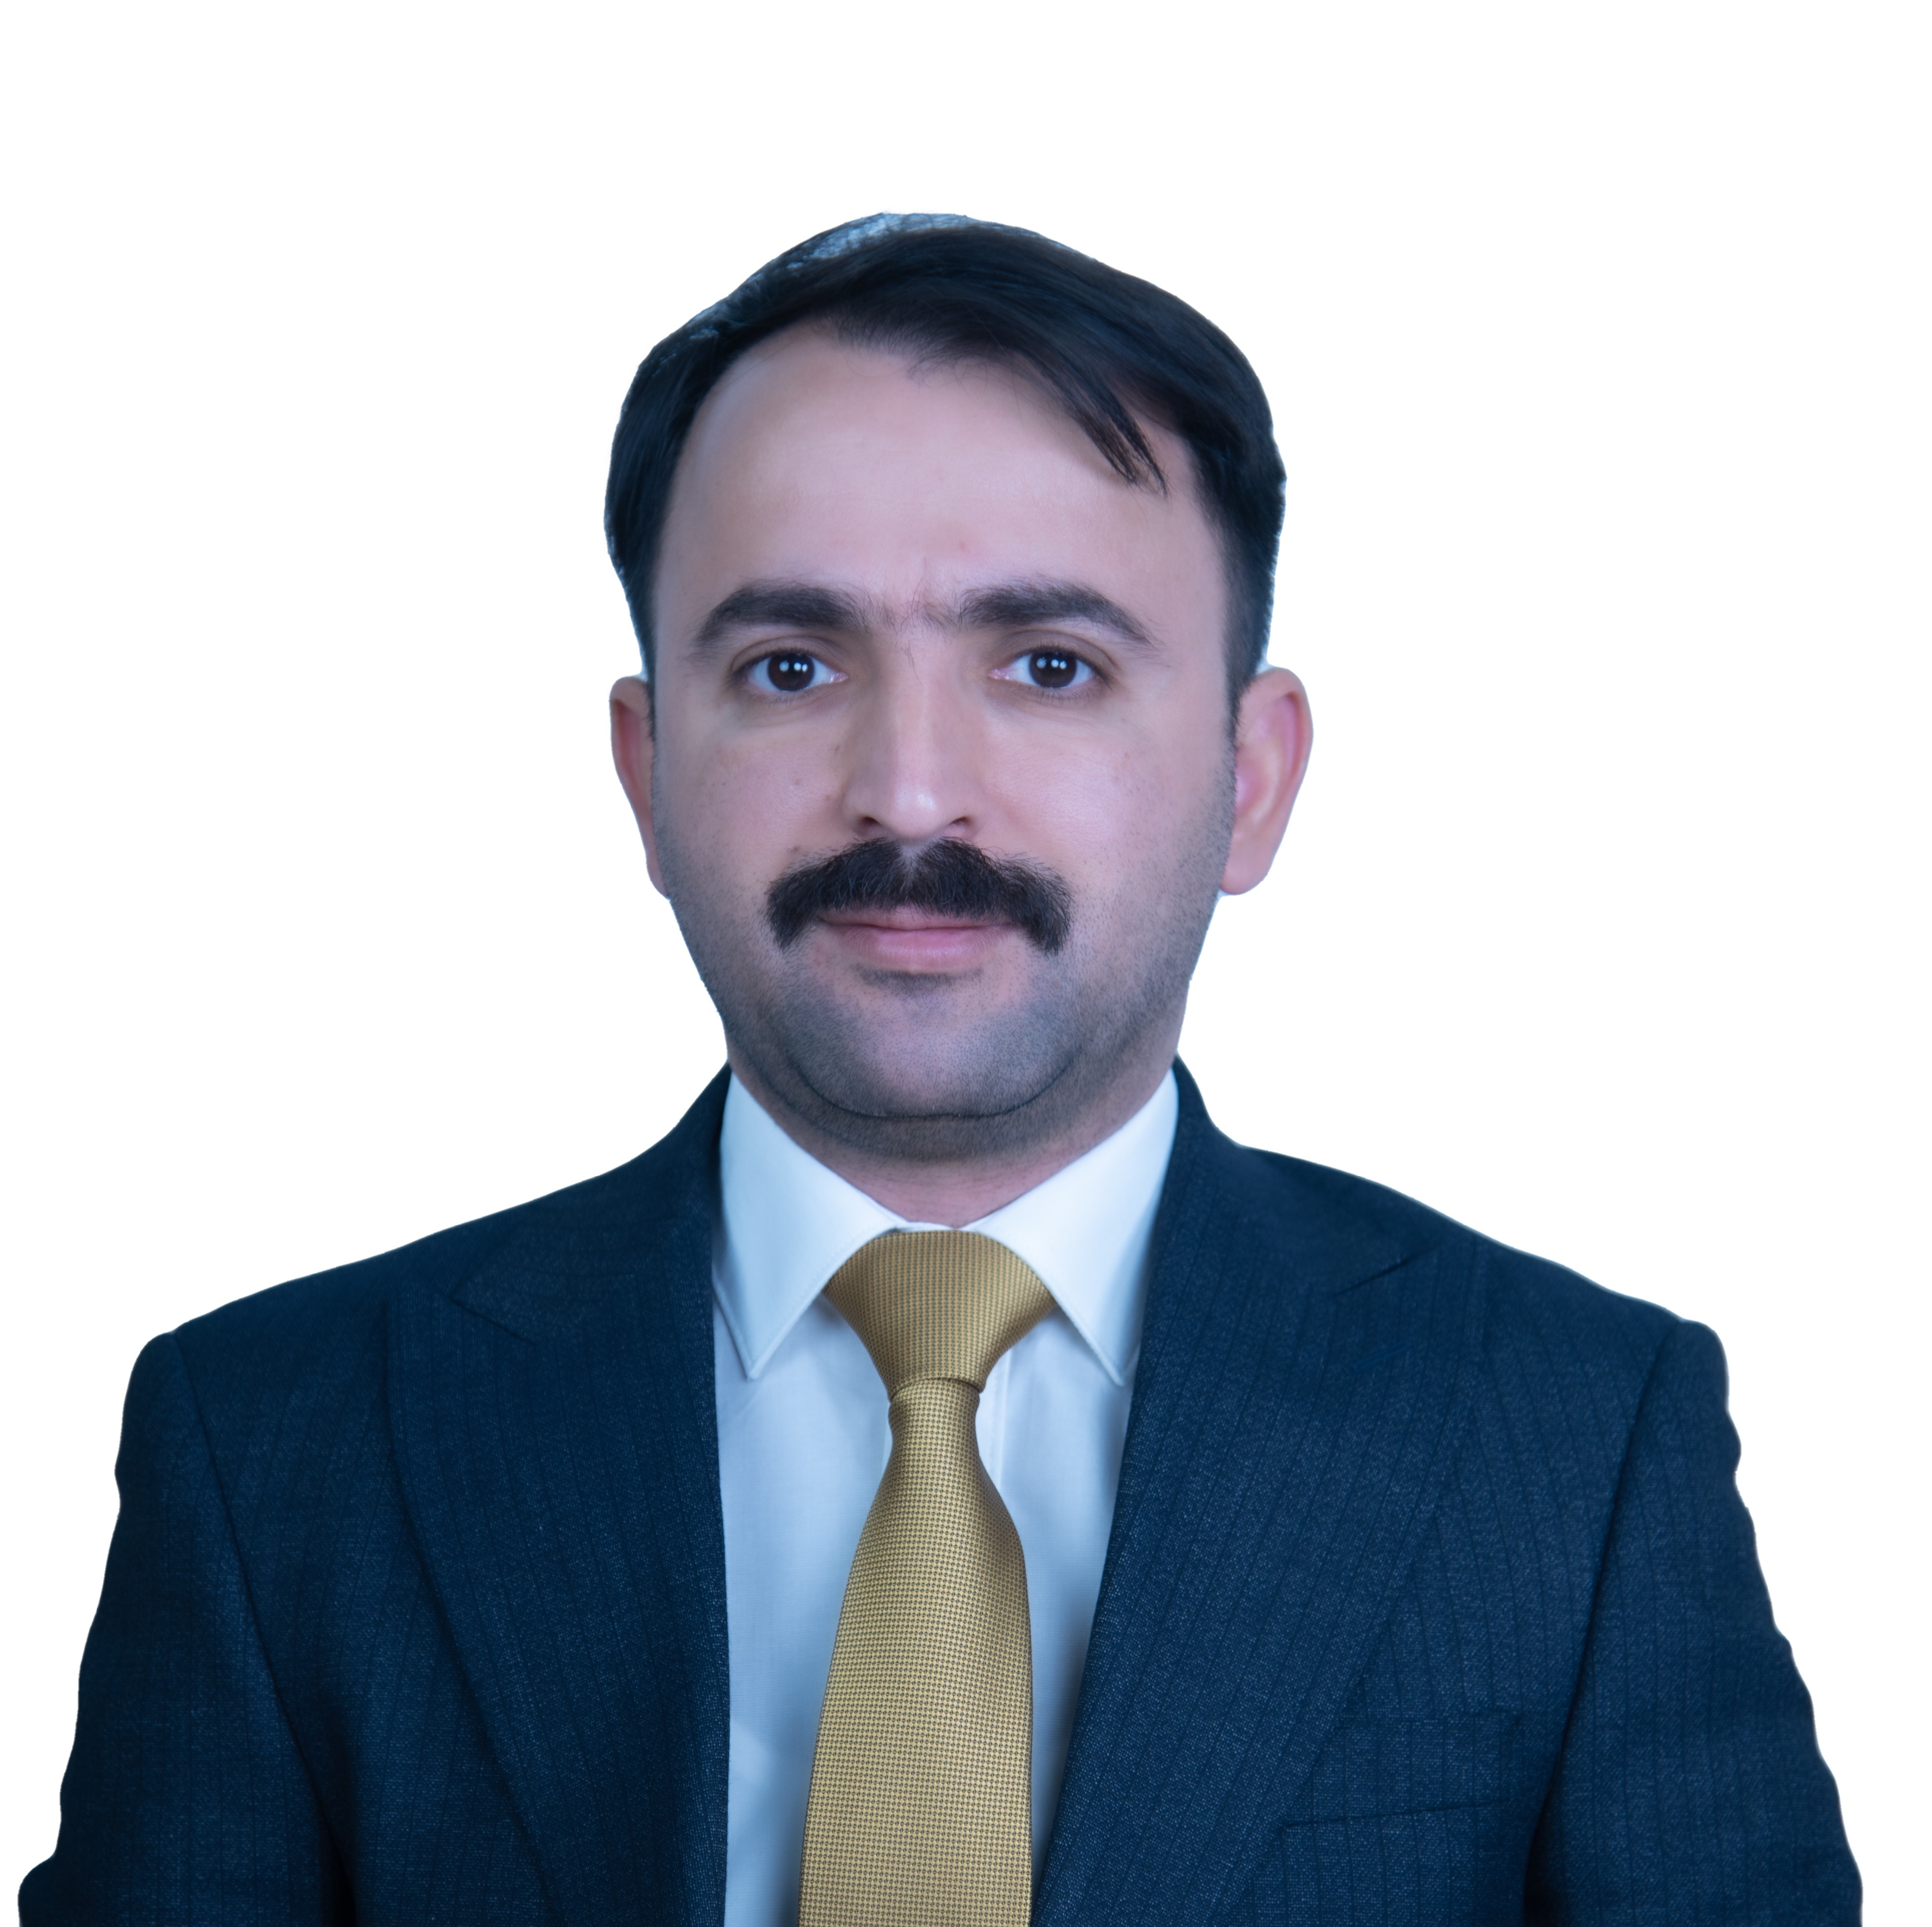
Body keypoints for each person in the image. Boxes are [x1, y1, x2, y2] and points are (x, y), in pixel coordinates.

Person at [22, 214, 1858, 1926]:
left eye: (1047, 666)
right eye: (789, 667)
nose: (906, 794)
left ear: (1250, 779)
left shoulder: (1571, 1438)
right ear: (645, 773)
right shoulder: (276, 1446)